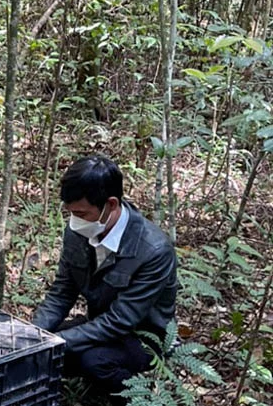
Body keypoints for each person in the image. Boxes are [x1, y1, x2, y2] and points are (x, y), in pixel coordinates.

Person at [32, 155, 178, 405]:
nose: (74, 220)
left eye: (81, 213)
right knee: (40, 353)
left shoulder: (154, 251)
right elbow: (63, 290)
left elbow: (120, 321)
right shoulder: (79, 230)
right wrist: (33, 334)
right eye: (70, 213)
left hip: (142, 338)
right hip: (99, 324)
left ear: (110, 204)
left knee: (92, 361)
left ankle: (135, 397)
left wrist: (56, 343)